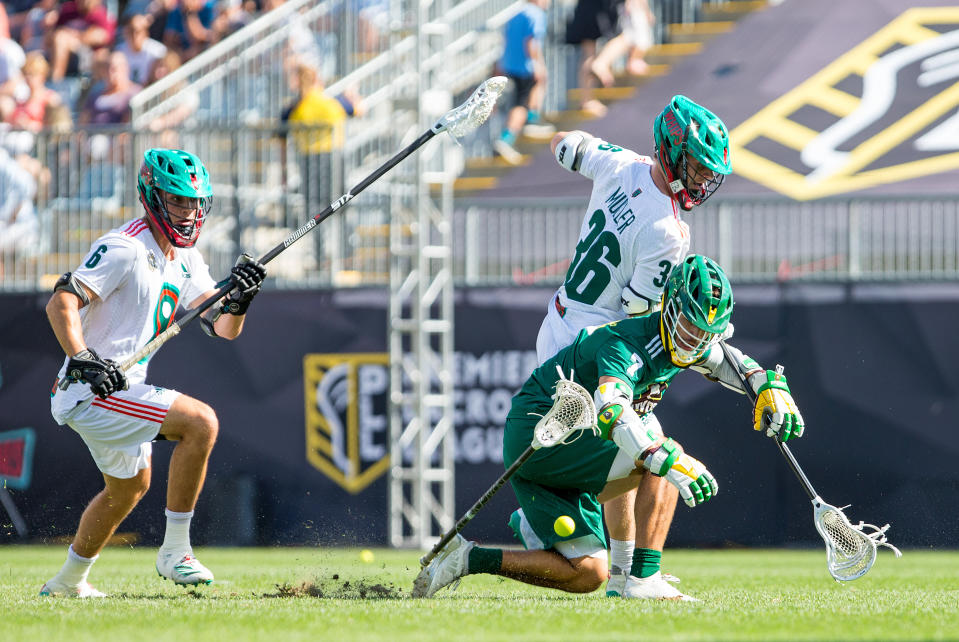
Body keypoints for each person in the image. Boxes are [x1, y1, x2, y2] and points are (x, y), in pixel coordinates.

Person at [414, 254, 805, 600]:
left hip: (563, 449)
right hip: (546, 431)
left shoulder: (685, 339)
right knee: (657, 447)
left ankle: (468, 558)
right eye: (690, 327)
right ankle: (641, 577)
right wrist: (663, 458)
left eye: (706, 332)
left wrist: (765, 386)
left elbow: (728, 361)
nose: (695, 341)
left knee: (587, 575)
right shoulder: (627, 344)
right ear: (669, 310)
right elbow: (611, 413)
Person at [40, 149, 268, 597]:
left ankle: (68, 582)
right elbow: (61, 302)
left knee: (128, 489)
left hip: (122, 389)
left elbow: (222, 327)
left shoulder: (188, 259)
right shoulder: (124, 247)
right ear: (152, 196)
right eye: (178, 201)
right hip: (90, 390)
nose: (187, 213)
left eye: (194, 204)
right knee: (200, 423)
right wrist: (84, 357)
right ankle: (175, 551)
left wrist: (240, 300)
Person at [536, 95, 734, 599]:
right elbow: (640, 314)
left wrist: (577, 144)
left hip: (557, 324)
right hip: (594, 344)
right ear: (671, 150)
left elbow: (564, 144)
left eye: (707, 171)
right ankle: (560, 525)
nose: (700, 179)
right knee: (653, 452)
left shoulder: (621, 163)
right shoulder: (669, 231)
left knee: (624, 452)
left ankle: (624, 574)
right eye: (693, 165)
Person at [492, 0, 554, 166]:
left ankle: (530, 120)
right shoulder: (536, 14)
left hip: (509, 65)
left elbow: (505, 40)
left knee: (519, 100)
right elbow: (531, 42)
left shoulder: (515, 12)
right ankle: (511, 135)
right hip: (525, 67)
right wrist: (539, 64)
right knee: (522, 103)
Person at [117, 13, 167, 86]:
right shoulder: (119, 52)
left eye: (138, 31)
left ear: (146, 32)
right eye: (130, 31)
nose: (134, 35)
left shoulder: (159, 51)